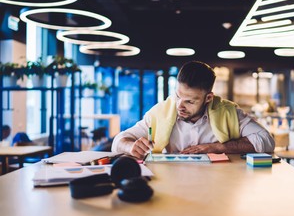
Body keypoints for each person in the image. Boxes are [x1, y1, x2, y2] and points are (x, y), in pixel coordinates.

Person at [112, 61, 275, 159]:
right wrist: (130, 147)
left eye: (190, 101)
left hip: (219, 183)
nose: (179, 106)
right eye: (178, 96)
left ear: (208, 98)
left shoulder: (229, 112)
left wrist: (217, 147)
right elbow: (119, 140)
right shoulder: (160, 113)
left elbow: (267, 141)